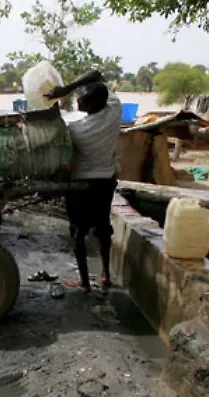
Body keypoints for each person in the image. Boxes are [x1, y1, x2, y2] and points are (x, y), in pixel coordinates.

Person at [44, 69, 121, 293]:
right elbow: (96, 74)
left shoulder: (76, 130)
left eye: (82, 99)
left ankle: (85, 282)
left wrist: (62, 93)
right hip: (105, 182)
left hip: (80, 185)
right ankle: (106, 274)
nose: (78, 101)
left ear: (91, 104)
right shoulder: (114, 110)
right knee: (103, 227)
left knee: (78, 231)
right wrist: (68, 88)